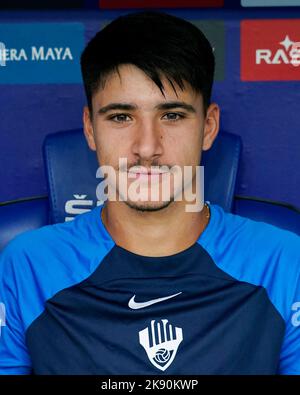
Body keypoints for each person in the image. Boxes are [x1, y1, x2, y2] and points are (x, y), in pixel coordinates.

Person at [0, 11, 300, 375]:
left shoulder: (284, 263)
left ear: (208, 127)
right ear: (90, 129)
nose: (146, 147)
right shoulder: (26, 266)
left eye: (172, 115)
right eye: (121, 117)